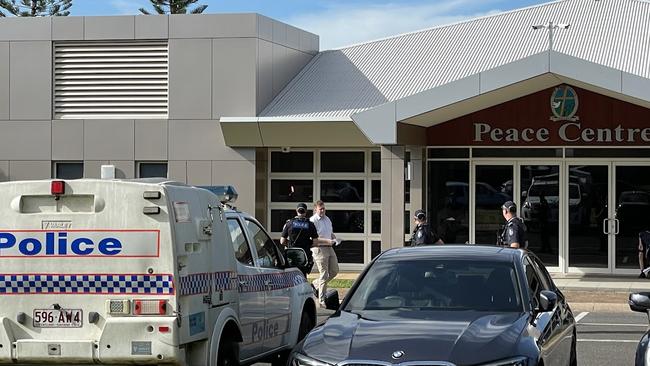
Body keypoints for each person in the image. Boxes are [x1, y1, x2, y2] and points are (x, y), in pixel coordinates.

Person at [280, 203, 330, 277]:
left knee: (290, 276)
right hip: (304, 256)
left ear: (296, 211)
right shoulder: (310, 224)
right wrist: (307, 244)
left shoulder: (289, 223)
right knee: (303, 276)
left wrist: (291, 244)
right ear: (306, 211)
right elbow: (315, 242)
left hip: (291, 255)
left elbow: (282, 241)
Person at [309, 200, 339, 306]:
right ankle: (321, 300)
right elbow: (313, 239)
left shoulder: (327, 219)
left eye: (323, 208)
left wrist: (335, 238)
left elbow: (329, 232)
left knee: (335, 271)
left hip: (329, 247)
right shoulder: (312, 221)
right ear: (315, 209)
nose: (322, 210)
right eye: (320, 209)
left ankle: (315, 284)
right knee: (324, 274)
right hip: (319, 248)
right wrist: (327, 241)